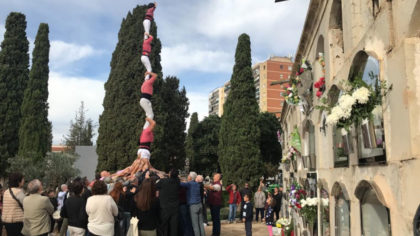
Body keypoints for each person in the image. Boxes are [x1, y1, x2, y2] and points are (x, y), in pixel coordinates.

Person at [156, 169, 180, 236]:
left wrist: (161, 178)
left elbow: (156, 185)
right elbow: (175, 178)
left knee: (164, 226)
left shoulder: (163, 181)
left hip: (165, 207)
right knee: (174, 226)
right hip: (175, 208)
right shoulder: (177, 182)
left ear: (170, 174)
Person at [180, 172, 205, 236]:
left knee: (195, 225)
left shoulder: (189, 184)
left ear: (190, 177)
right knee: (200, 224)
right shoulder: (197, 184)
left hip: (193, 206)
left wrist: (178, 178)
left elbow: (179, 184)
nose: (187, 176)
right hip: (199, 204)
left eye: (188, 175)